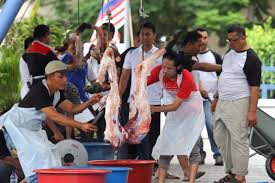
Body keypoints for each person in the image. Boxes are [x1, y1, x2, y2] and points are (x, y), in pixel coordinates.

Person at [0, 61, 102, 183]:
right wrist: (80, 125)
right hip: (17, 128)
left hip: (33, 130)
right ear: (50, 77)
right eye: (61, 76)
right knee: (41, 158)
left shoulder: (57, 93)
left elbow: (72, 108)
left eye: (66, 76)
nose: (65, 80)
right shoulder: (40, 90)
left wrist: (89, 102)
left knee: (53, 156)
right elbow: (54, 116)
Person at [212, 24, 261, 183]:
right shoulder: (230, 52)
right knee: (220, 137)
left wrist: (252, 111)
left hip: (239, 101)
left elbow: (255, 88)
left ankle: (240, 176)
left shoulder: (252, 58)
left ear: (243, 38)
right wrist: (217, 98)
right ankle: (231, 172)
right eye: (229, 40)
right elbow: (225, 75)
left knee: (239, 139)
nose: (231, 43)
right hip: (223, 101)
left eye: (234, 40)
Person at [146, 50, 205, 183]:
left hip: (192, 112)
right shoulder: (159, 72)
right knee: (166, 144)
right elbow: (142, 82)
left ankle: (191, 180)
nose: (165, 70)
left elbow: (175, 106)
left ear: (178, 67)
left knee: (192, 146)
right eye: (163, 66)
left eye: (169, 68)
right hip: (177, 112)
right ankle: (160, 181)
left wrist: (154, 108)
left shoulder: (186, 77)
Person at [119, 22, 162, 161]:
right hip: (134, 101)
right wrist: (118, 97)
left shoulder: (160, 55)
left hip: (153, 100)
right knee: (136, 134)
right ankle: (140, 162)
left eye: (148, 34)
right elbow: (124, 78)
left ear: (154, 35)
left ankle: (152, 163)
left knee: (153, 134)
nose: (145, 37)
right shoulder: (131, 54)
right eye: (142, 34)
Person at [195, 28, 223, 166]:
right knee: (195, 128)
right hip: (193, 99)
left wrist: (217, 97)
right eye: (200, 38)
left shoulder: (216, 57)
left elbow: (221, 78)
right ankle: (199, 153)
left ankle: (218, 153)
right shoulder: (191, 57)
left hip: (210, 99)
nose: (203, 41)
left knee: (211, 125)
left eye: (205, 37)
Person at [21, 24, 58, 89]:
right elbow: (60, 67)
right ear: (44, 36)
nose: (50, 37)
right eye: (49, 34)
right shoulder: (46, 50)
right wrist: (73, 65)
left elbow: (25, 77)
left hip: (30, 87)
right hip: (45, 86)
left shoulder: (24, 56)